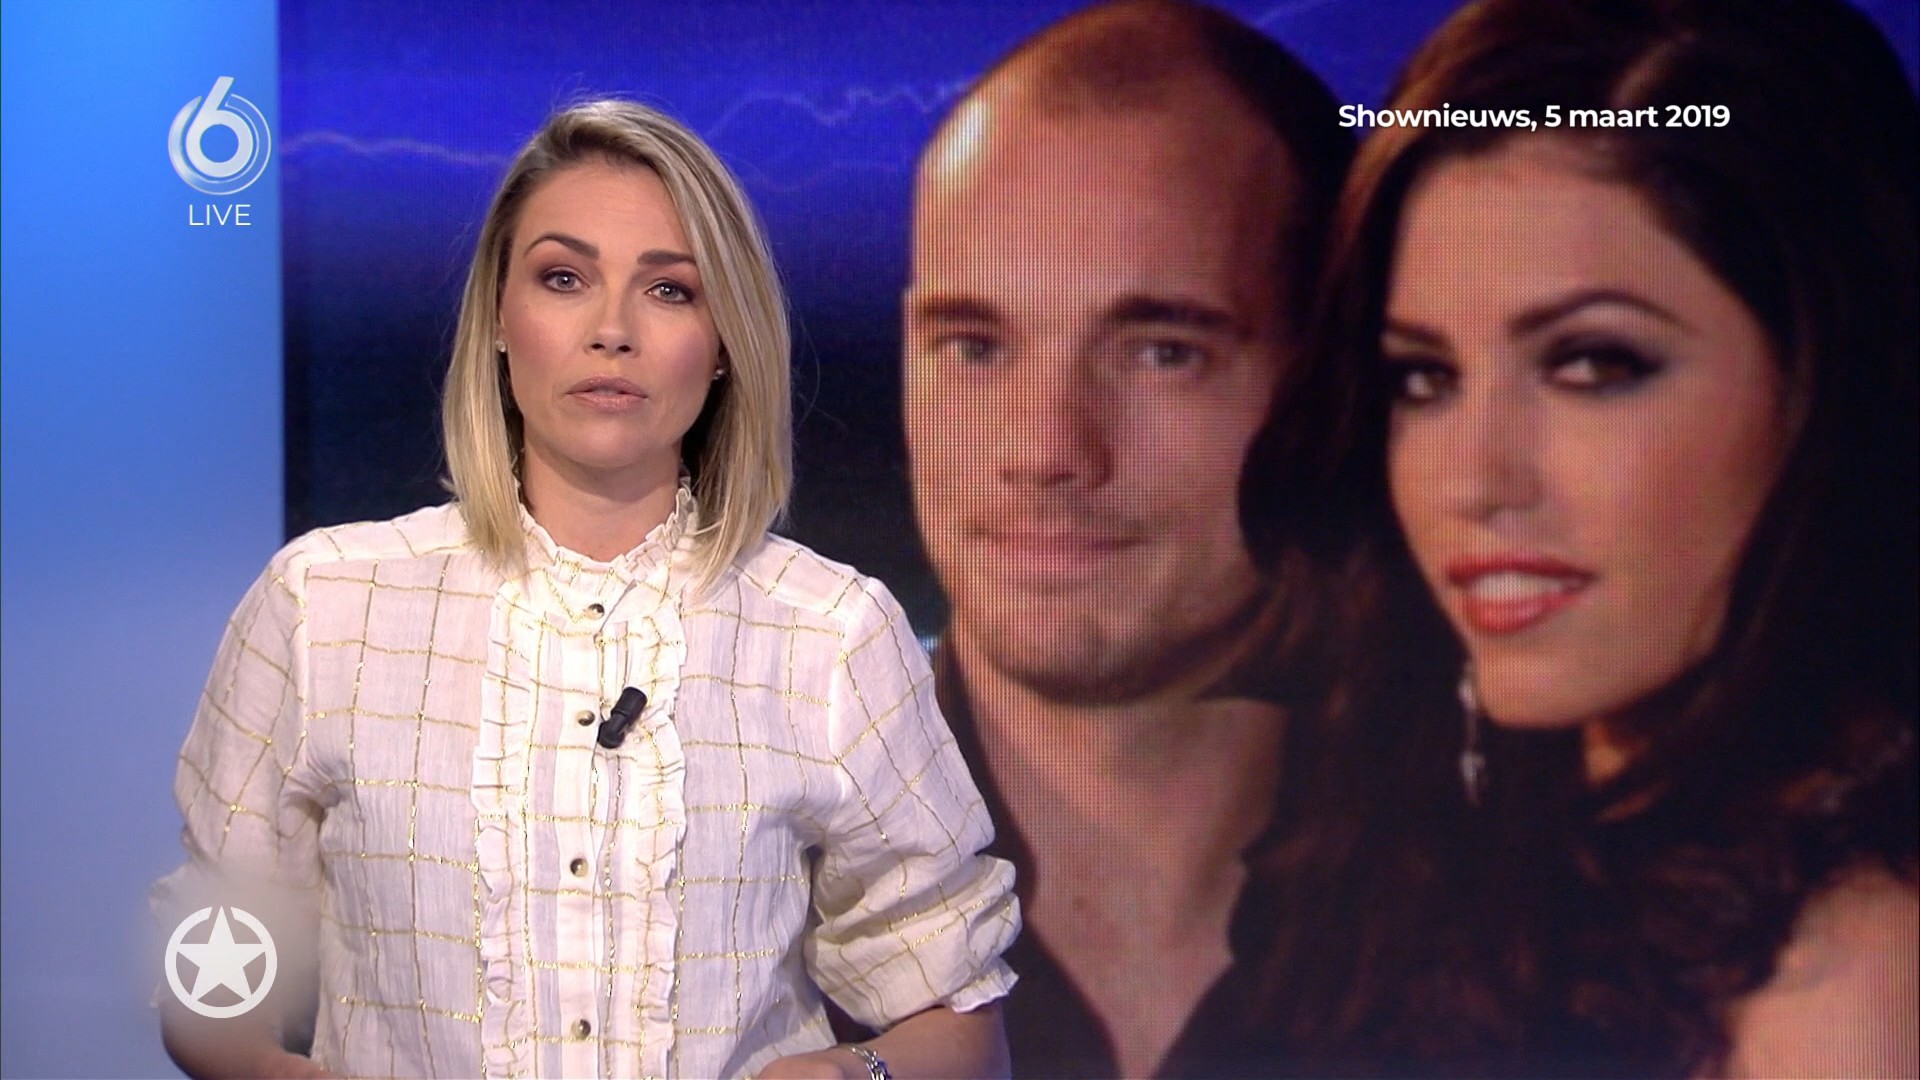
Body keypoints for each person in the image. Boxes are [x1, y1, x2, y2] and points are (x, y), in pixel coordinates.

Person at [153, 99, 1019, 1080]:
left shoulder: (831, 632)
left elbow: (964, 1023)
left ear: (724, 342)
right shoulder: (323, 605)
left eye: (670, 290)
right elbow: (210, 980)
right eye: (564, 279)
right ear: (498, 317)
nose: (612, 330)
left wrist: (855, 1076)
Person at [1246, 0, 1919, 1073]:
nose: (1472, 482)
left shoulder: (1849, 980)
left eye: (1593, 365)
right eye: (1424, 378)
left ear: (1829, 382)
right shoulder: (1451, 848)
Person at [900, 2, 1352, 1075]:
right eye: (975, 346)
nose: (1046, 451)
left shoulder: (1559, 908)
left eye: (1160, 352)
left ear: (1330, 383)